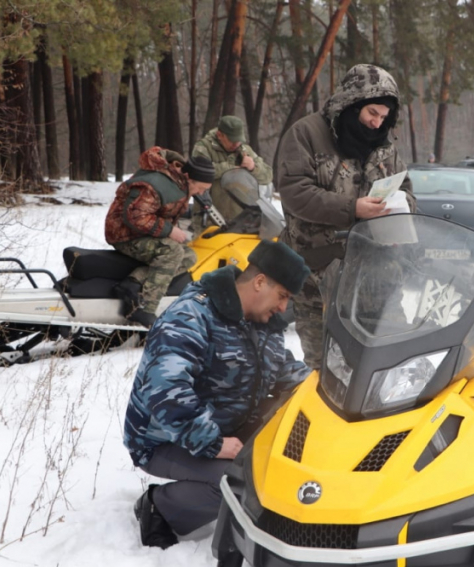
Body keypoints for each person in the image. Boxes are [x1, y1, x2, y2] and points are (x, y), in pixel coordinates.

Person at [124, 239, 311, 549]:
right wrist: (211, 443)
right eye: (282, 296)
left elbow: (283, 372)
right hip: (163, 437)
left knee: (286, 459)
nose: (283, 308)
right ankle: (160, 508)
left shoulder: (263, 323)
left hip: (226, 426)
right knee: (240, 482)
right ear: (259, 282)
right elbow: (166, 390)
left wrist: (330, 391)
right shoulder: (192, 315)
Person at [277, 64, 416, 370]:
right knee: (324, 366)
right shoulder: (306, 134)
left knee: (390, 362)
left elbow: (405, 187)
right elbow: (295, 193)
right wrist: (352, 209)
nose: (377, 123)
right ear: (352, 102)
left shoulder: (384, 145)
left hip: (376, 276)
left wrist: (401, 205)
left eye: (383, 117)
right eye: (372, 113)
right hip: (317, 274)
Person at [105, 148, 215, 328]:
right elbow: (135, 216)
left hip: (143, 233)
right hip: (124, 234)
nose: (201, 194)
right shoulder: (156, 184)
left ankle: (133, 282)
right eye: (201, 189)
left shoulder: (179, 183)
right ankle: (145, 309)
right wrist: (169, 230)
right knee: (172, 252)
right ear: (188, 177)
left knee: (189, 255)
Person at [191, 115, 273, 231]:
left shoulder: (244, 150)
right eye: (232, 140)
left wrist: (253, 167)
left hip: (239, 222)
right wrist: (230, 168)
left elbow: (268, 176)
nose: (236, 144)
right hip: (210, 219)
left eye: (239, 140)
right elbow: (200, 171)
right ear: (220, 135)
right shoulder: (203, 147)